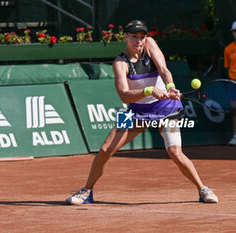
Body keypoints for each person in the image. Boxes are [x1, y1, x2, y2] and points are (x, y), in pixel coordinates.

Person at [65, 20, 218, 205]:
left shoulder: (150, 44)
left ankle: (203, 189)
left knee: (175, 151)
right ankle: (86, 191)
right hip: (137, 111)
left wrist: (170, 87)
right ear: (126, 37)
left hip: (166, 109)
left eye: (141, 36)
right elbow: (124, 95)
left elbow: (163, 70)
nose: (138, 40)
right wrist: (148, 91)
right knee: (105, 149)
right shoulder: (120, 63)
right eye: (134, 36)